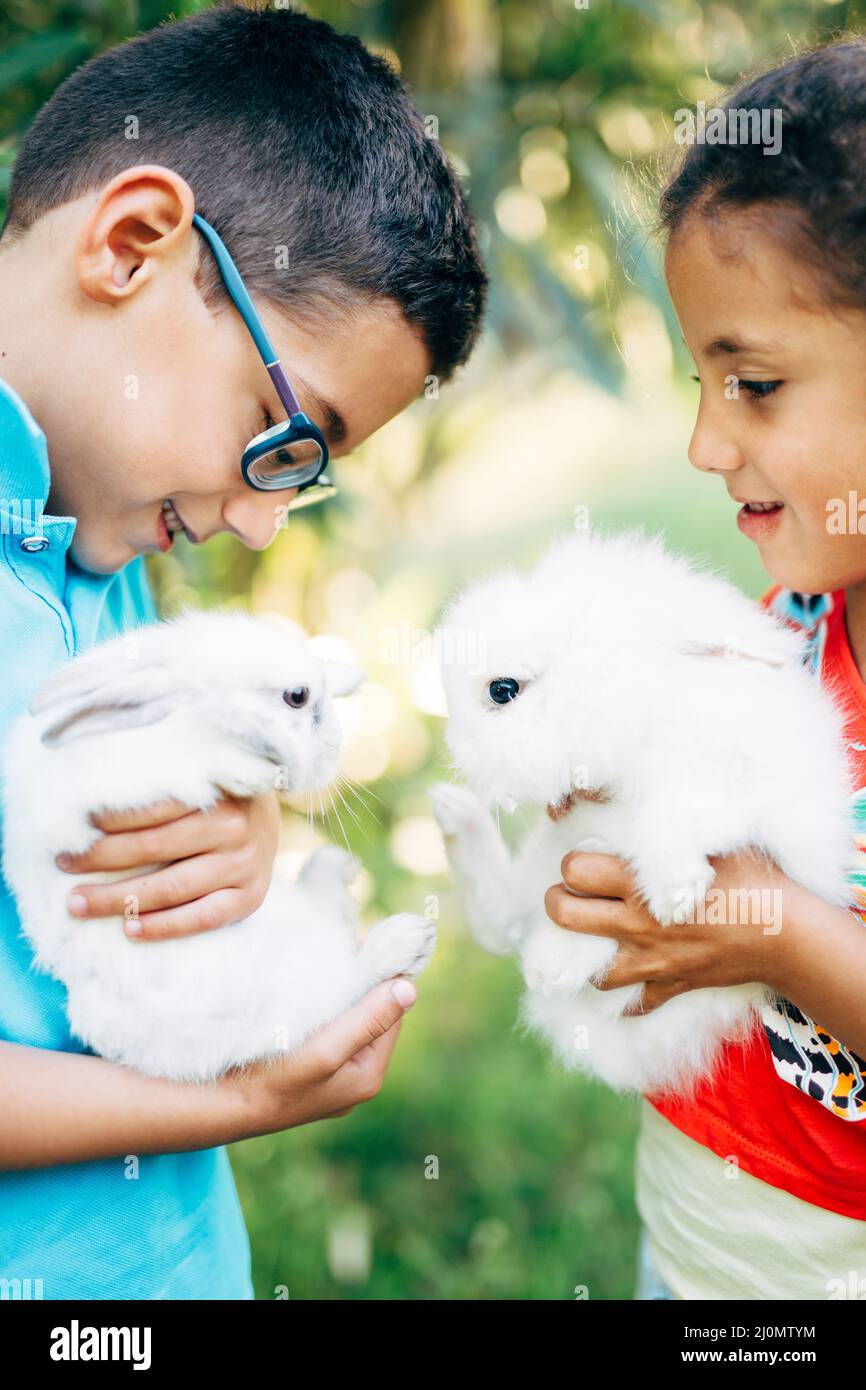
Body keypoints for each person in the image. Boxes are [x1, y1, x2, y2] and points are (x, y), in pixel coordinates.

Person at [0, 1, 486, 1299]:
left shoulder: (95, 539)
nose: (265, 514)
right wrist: (244, 1094)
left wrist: (244, 844)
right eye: (282, 432)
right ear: (135, 242)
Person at [544, 39, 866, 1299]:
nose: (699, 439)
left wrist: (781, 936)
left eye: (754, 384)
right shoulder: (785, 625)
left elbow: (764, 920)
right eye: (700, 381)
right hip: (693, 1242)